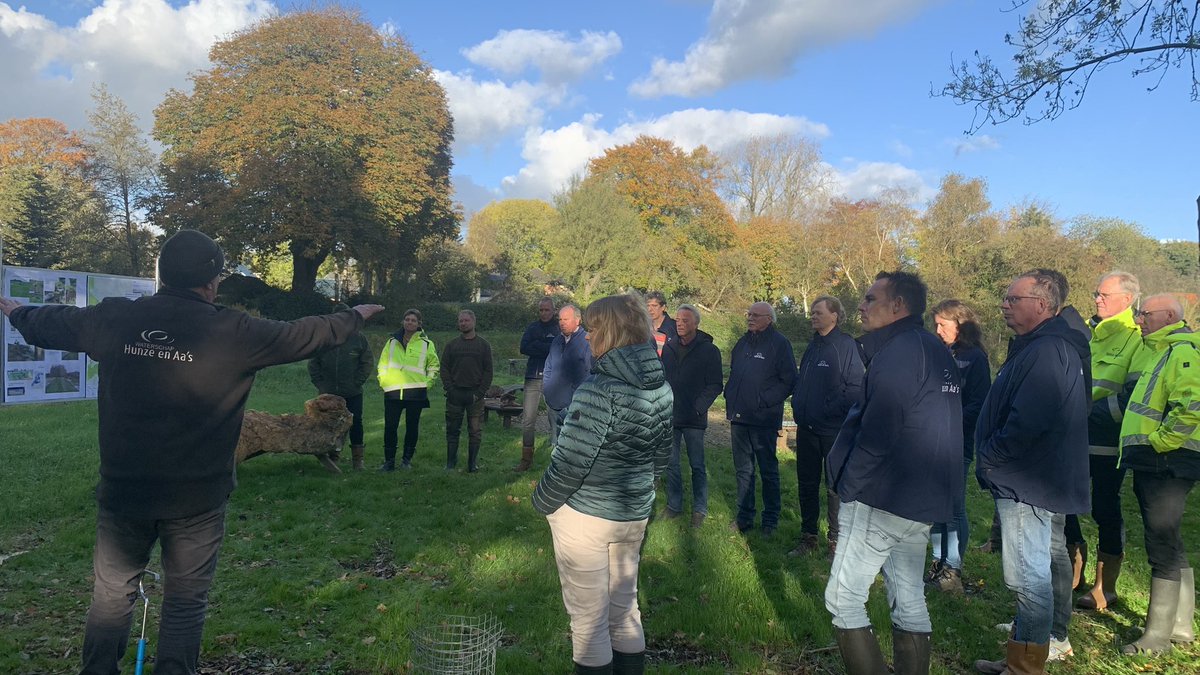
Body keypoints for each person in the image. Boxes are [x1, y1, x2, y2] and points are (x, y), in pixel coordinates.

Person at [0, 229, 384, 675]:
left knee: (111, 595)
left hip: (125, 493)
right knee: (184, 602)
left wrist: (20, 311)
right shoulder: (234, 331)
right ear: (212, 281)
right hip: (197, 500)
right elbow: (304, 334)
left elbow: (54, 323)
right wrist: (353, 316)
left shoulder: (117, 319)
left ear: (163, 274)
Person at [823, 271, 962, 675]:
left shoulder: (900, 352)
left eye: (870, 299)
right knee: (909, 595)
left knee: (843, 598)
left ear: (898, 306)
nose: (861, 307)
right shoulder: (932, 349)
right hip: (918, 498)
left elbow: (880, 429)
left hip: (880, 495)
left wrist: (850, 486)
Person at [532, 295, 673, 675]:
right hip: (633, 514)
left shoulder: (599, 390)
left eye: (593, 328)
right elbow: (662, 457)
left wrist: (543, 502)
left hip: (587, 518)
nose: (589, 336)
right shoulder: (661, 386)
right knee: (624, 610)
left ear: (610, 332)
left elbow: (569, 464)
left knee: (589, 623)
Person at [973, 270, 1090, 675]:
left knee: (1029, 580)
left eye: (1012, 298)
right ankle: (1018, 659)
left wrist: (991, 457)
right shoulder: (1038, 346)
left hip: (1027, 480)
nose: (1004, 304)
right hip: (1029, 477)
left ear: (1041, 305)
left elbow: (1029, 421)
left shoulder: (1048, 350)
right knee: (1030, 577)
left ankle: (1025, 668)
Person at [1117, 294, 1197, 655]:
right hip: (1163, 460)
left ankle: (1156, 639)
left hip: (1167, 462)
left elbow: (1192, 405)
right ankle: (1179, 627)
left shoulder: (1180, 351)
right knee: (1171, 542)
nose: (1138, 319)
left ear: (1168, 316)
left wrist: (1159, 443)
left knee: (1161, 544)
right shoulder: (1162, 349)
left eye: (1145, 314)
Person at [1069, 271, 1144, 610]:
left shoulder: (1136, 338)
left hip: (1107, 439)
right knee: (1064, 502)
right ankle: (1073, 570)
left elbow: (1132, 394)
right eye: (1096, 293)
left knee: (1105, 507)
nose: (1096, 299)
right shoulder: (1086, 331)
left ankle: (1105, 586)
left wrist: (1090, 412)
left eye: (1104, 294)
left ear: (1127, 300)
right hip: (1072, 434)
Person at [788, 295, 863, 558]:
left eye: (818, 312)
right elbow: (802, 382)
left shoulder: (845, 346)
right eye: (813, 313)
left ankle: (836, 540)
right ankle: (808, 537)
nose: (813, 316)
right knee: (806, 484)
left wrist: (830, 411)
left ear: (835, 315)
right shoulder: (813, 346)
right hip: (806, 428)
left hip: (832, 431)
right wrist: (798, 403)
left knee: (834, 486)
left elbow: (855, 389)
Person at [925, 299, 991, 593]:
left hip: (957, 442)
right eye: (935, 324)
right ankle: (938, 563)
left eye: (943, 324)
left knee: (952, 508)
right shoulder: (938, 353)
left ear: (960, 325)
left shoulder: (975, 358)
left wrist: (949, 422)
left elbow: (979, 404)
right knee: (935, 507)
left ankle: (953, 568)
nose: (937, 330)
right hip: (930, 442)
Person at [725, 301, 796, 537]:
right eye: (749, 314)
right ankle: (744, 517)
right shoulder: (743, 342)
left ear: (769, 319)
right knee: (743, 471)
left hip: (763, 419)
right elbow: (735, 371)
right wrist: (730, 394)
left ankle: (770, 521)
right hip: (739, 417)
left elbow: (789, 380)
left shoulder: (779, 344)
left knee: (768, 470)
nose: (750, 318)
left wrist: (763, 400)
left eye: (756, 315)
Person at [660, 303, 723, 528]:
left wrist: (699, 406)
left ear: (696, 324)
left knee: (697, 465)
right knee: (671, 464)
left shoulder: (709, 350)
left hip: (694, 418)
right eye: (678, 320)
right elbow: (662, 378)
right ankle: (674, 506)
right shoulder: (669, 348)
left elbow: (716, 384)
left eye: (685, 320)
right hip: (670, 415)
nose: (680, 323)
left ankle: (699, 509)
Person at [307, 303, 374, 470]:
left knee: (356, 422)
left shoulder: (359, 338)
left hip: (353, 392)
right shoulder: (324, 339)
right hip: (328, 394)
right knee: (330, 424)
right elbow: (313, 364)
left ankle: (358, 460)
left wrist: (357, 382)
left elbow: (367, 362)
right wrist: (321, 385)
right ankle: (333, 456)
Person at [377, 309, 439, 471]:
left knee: (412, 427)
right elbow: (382, 364)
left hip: (416, 392)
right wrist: (383, 381)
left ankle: (406, 460)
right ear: (403, 322)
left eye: (413, 320)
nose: (410, 322)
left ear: (419, 324)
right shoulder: (391, 342)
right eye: (407, 319)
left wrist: (427, 383)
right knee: (390, 427)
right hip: (392, 391)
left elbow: (433, 366)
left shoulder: (427, 344)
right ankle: (389, 461)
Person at [440, 310, 494, 472]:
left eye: (466, 320)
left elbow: (488, 371)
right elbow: (444, 368)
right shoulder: (451, 345)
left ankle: (472, 464)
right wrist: (449, 389)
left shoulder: (483, 346)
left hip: (475, 396)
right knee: (452, 430)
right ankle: (450, 463)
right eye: (460, 321)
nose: (463, 323)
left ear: (473, 322)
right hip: (454, 394)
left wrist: (480, 392)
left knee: (475, 431)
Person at [516, 298, 558, 471]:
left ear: (553, 311)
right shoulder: (532, 327)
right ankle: (526, 459)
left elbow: (559, 347)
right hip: (533, 376)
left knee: (555, 417)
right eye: (541, 310)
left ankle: (557, 457)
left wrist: (538, 345)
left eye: (547, 310)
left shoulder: (558, 328)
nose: (544, 313)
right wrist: (547, 346)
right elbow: (524, 347)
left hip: (554, 377)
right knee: (528, 419)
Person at [543, 303, 593, 446]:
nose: (562, 323)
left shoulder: (586, 341)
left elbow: (588, 373)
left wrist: (576, 398)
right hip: (553, 400)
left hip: (574, 404)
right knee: (555, 444)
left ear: (577, 320)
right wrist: (546, 389)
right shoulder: (557, 341)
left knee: (572, 444)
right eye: (560, 320)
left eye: (566, 319)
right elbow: (549, 366)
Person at [646, 291, 677, 357]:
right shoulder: (642, 327)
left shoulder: (675, 328)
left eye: (654, 306)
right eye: (647, 306)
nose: (650, 309)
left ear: (663, 307)